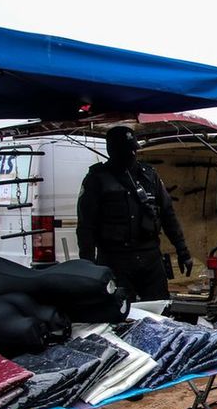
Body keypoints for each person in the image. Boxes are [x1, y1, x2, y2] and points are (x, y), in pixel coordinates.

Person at [77, 126, 192, 301]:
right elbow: (86, 227)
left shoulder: (149, 176)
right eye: (125, 150)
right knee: (120, 311)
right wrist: (88, 267)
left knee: (159, 308)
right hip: (115, 259)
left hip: (150, 257)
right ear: (112, 151)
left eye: (133, 149)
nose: (131, 154)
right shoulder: (97, 179)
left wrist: (183, 252)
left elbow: (168, 215)